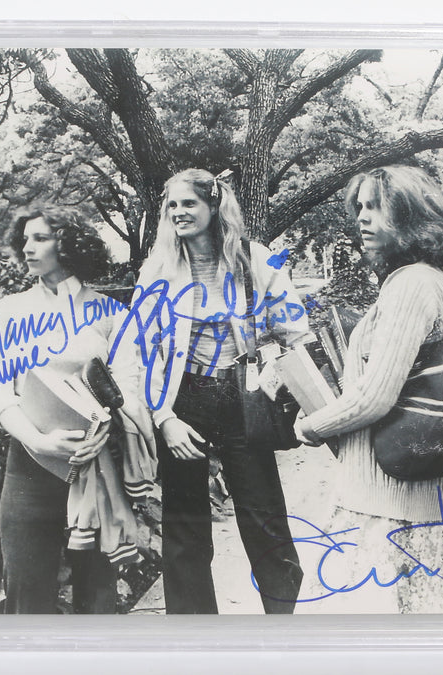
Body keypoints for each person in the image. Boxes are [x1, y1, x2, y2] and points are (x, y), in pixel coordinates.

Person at [293, 165, 443, 614]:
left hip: (388, 499)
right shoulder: (413, 280)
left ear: (413, 217)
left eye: (377, 207)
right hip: (396, 492)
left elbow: (377, 396)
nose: (362, 218)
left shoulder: (412, 285)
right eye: (360, 207)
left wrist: (313, 425)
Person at [133, 168, 310, 614]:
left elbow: (294, 329)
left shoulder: (254, 259)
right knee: (185, 529)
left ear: (214, 206)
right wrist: (164, 418)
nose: (178, 212)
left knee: (265, 520)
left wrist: (268, 353)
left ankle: (282, 630)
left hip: (243, 399)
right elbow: (142, 351)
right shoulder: (158, 268)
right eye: (171, 205)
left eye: (188, 203)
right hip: (184, 400)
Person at [0, 206, 155, 614]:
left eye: (40, 238)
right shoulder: (7, 313)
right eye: (24, 239)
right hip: (28, 466)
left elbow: (129, 388)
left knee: (97, 593)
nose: (28, 247)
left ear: (70, 243)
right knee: (26, 592)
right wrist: (39, 441)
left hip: (97, 466)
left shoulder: (113, 314)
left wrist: (101, 434)